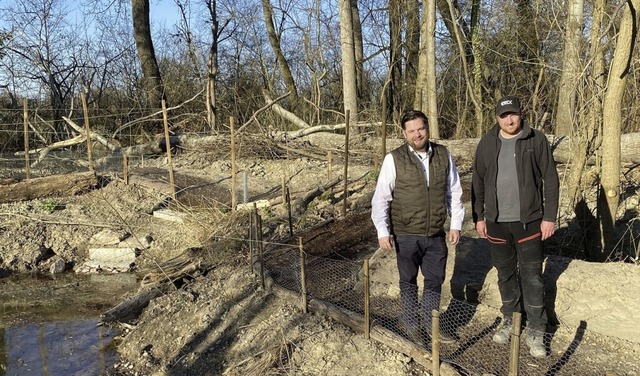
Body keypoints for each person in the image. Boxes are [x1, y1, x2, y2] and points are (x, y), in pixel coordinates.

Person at [471, 96, 559, 358]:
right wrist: (478, 216)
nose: (509, 120)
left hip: (530, 222)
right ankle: (510, 319)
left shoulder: (536, 139)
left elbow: (551, 179)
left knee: (532, 276)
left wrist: (549, 217)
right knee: (505, 274)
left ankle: (536, 329)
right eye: (503, 116)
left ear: (521, 114)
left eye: (513, 114)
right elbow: (477, 181)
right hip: (496, 223)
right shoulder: (487, 143)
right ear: (496, 118)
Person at [371, 110, 465, 343]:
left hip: (435, 233)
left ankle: (431, 324)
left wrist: (455, 224)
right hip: (406, 233)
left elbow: (453, 191)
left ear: (427, 128)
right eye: (411, 131)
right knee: (408, 280)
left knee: (434, 280)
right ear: (404, 133)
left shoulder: (443, 154)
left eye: (420, 128)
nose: (417, 134)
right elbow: (381, 197)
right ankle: (412, 323)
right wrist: (383, 231)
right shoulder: (394, 159)